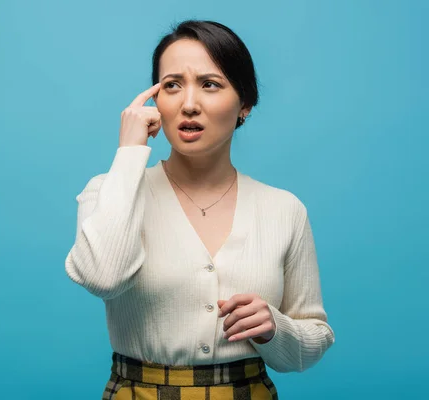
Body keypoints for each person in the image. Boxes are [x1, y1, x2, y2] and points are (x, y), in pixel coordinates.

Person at [65, 19, 334, 400]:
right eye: (172, 85)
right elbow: (103, 278)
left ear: (245, 104)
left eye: (210, 84)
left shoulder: (284, 209)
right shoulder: (109, 191)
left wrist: (275, 327)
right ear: (155, 101)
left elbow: (315, 338)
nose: (188, 104)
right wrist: (128, 154)